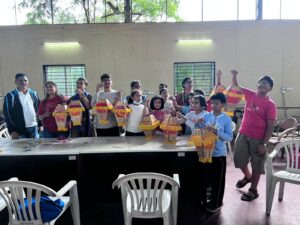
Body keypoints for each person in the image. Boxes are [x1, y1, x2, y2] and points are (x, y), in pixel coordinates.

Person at [232, 70, 277, 201]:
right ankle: (248, 176)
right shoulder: (250, 94)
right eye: (261, 82)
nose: (263, 85)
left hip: (259, 138)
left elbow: (270, 126)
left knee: (257, 164)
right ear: (257, 84)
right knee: (238, 159)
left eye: (267, 84)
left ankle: (253, 190)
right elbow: (236, 87)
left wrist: (264, 143)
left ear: (270, 88)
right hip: (243, 133)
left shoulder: (270, 105)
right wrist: (234, 75)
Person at [201, 93, 233, 212]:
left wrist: (216, 132)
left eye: (216, 103)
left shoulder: (226, 119)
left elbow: (229, 137)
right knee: (207, 178)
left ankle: (216, 203)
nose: (213, 105)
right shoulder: (207, 116)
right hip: (206, 152)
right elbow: (200, 126)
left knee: (217, 181)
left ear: (223, 105)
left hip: (219, 154)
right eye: (212, 103)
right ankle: (207, 199)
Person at [3, 73, 40, 139]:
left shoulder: (34, 93)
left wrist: (40, 124)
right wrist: (12, 130)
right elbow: (7, 114)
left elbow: (39, 109)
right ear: (16, 82)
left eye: (25, 80)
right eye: (20, 80)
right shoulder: (11, 96)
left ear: (28, 82)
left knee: (35, 148)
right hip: (19, 130)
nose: (23, 82)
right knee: (21, 149)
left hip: (34, 128)